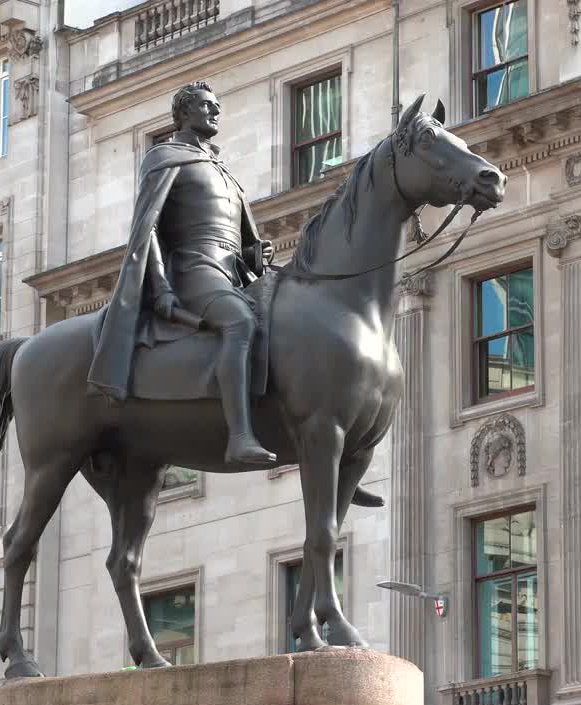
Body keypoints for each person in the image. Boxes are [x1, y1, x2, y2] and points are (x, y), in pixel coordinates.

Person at [87, 81, 386, 507]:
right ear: (184, 112)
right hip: (193, 269)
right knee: (240, 323)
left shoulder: (222, 169)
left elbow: (238, 236)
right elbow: (147, 228)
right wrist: (162, 287)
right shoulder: (164, 157)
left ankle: (331, 456)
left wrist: (253, 250)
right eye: (208, 106)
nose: (215, 113)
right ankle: (240, 436)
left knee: (294, 329)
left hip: (232, 272)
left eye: (217, 107)